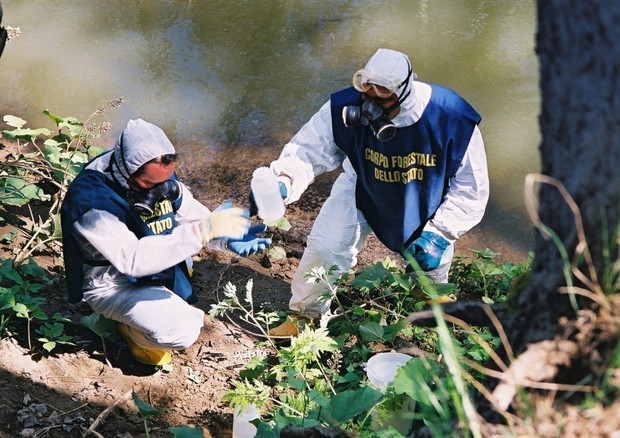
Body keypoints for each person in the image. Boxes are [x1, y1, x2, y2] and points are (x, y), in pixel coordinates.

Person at [263, 48, 490, 336]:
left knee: (432, 259)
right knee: (325, 248)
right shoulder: (341, 109)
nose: (371, 107)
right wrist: (285, 180)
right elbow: (307, 151)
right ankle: (305, 318)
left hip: (422, 193)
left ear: (405, 93)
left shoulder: (451, 117)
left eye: (384, 97)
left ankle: (433, 304)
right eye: (366, 94)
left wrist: (441, 233)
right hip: (363, 184)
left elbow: (472, 186)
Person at [61, 118, 271, 365]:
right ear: (126, 172)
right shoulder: (92, 202)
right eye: (149, 185)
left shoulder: (154, 166)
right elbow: (133, 261)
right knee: (183, 330)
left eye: (165, 181)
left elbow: (188, 212)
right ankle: (129, 332)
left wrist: (224, 238)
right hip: (114, 280)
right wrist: (203, 231)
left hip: (154, 256)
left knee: (184, 289)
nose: (158, 191)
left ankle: (151, 308)